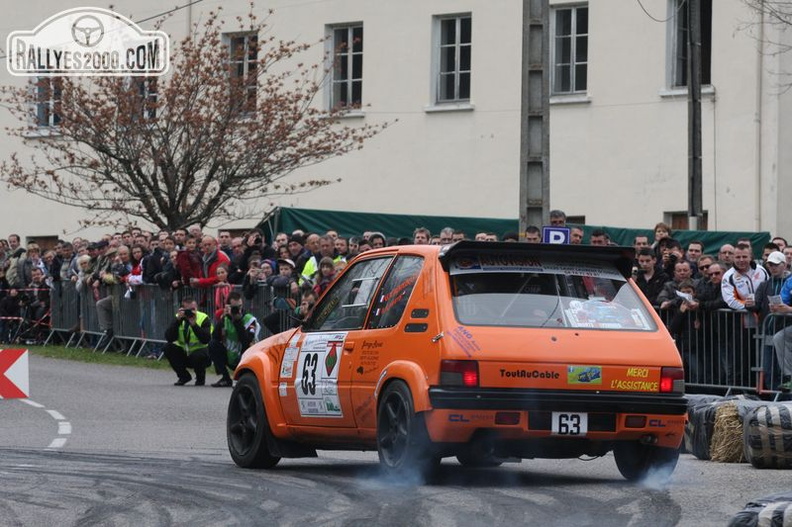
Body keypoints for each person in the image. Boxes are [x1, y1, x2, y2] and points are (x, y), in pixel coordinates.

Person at [208, 291, 261, 387]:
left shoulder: (249, 320)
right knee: (212, 344)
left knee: (249, 347)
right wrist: (223, 319)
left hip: (244, 356)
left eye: (240, 307)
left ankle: (243, 377)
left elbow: (246, 341)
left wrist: (237, 321)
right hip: (230, 354)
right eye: (235, 308)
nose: (238, 310)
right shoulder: (226, 319)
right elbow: (215, 336)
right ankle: (225, 378)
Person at [163, 297, 213, 386]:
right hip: (185, 353)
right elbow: (169, 337)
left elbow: (206, 339)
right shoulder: (178, 318)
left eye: (193, 309)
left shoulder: (203, 318)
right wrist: (177, 321)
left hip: (201, 354)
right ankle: (183, 376)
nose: (191, 313)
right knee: (167, 347)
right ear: (182, 310)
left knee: (198, 355)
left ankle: (200, 378)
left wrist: (194, 325)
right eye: (188, 310)